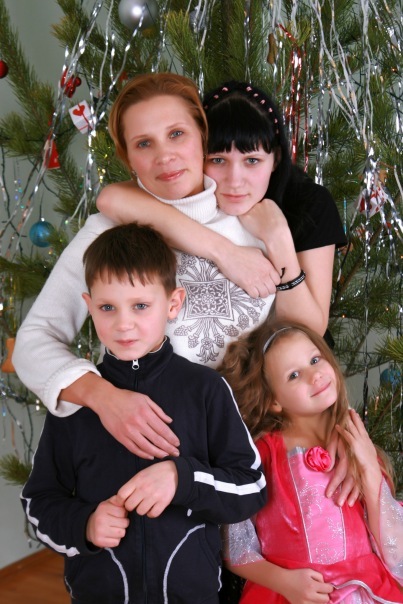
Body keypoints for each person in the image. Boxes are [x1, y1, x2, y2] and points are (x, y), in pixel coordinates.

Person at [13, 72, 350, 502]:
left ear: (201, 136)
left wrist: (334, 429)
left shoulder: (254, 217)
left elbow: (300, 342)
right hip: (150, 471)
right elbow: (33, 341)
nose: (165, 156)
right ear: (128, 158)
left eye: (176, 134)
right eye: (144, 143)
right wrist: (105, 398)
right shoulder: (109, 231)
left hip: (255, 474)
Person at [21, 222, 266, 604]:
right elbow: (39, 502)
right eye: (107, 307)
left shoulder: (205, 389)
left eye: (140, 306)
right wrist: (85, 525)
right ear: (89, 305)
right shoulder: (75, 401)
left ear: (173, 303)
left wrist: (182, 479)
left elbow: (250, 487)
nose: (123, 324)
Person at [218, 320, 403, 603]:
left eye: (315, 360)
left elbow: (395, 553)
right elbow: (236, 547)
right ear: (273, 400)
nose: (314, 375)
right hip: (290, 594)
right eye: (294, 375)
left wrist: (369, 470)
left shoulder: (359, 448)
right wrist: (284, 582)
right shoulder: (260, 456)